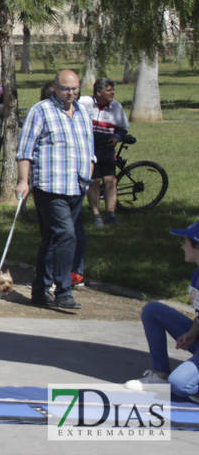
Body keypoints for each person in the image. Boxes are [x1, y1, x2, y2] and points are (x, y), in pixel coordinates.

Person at [15, 69, 95, 310]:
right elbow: (24, 150)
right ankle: (63, 290)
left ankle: (39, 292)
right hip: (50, 187)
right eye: (65, 88)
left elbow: (89, 150)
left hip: (77, 186)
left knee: (52, 238)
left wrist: (88, 176)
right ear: (54, 87)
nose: (70, 93)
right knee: (66, 234)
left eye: (74, 88)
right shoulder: (40, 111)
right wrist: (23, 181)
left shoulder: (82, 113)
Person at [125, 220, 199, 404]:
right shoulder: (197, 274)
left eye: (185, 242)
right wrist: (191, 333)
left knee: (180, 384)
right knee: (153, 310)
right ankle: (160, 375)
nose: (182, 247)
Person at [78, 77, 128, 227]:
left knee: (111, 181)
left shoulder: (116, 107)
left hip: (106, 151)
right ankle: (96, 215)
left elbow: (123, 128)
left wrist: (116, 137)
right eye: (109, 90)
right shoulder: (84, 103)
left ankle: (111, 215)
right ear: (98, 92)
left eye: (113, 90)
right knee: (94, 182)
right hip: (89, 151)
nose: (112, 93)